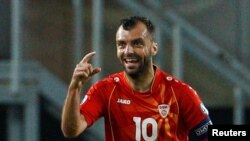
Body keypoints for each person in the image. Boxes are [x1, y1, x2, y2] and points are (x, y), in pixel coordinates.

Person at [61, 16, 212, 141]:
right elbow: (71, 130)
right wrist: (75, 87)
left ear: (154, 48)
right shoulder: (106, 90)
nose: (128, 51)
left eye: (137, 44)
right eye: (121, 45)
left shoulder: (181, 93)